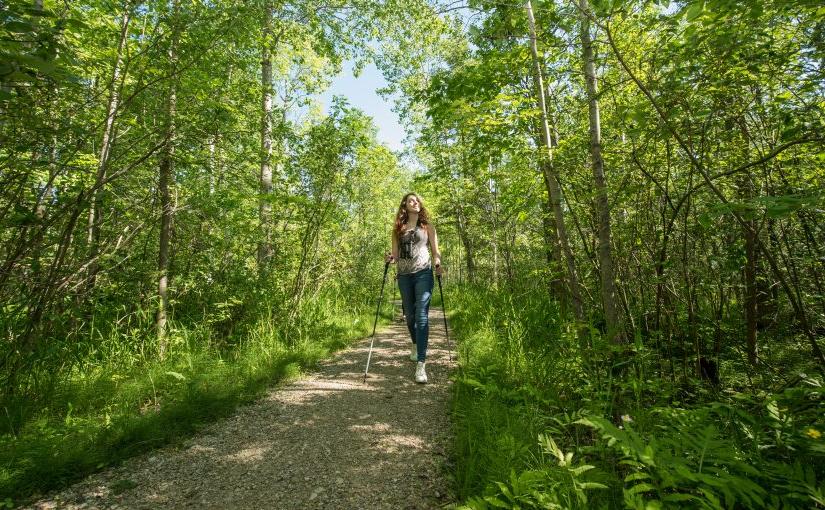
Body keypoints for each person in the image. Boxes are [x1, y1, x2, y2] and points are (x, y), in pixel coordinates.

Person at [385, 193, 443, 384]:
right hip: (403, 275)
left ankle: (421, 364)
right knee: (409, 316)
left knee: (421, 316)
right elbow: (394, 255)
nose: (415, 202)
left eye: (417, 200)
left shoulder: (428, 227)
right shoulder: (398, 229)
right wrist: (390, 259)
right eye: (411, 200)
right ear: (405, 205)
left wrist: (438, 264)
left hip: (423, 273)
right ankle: (416, 344)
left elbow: (436, 252)